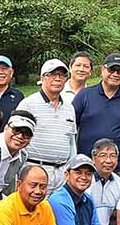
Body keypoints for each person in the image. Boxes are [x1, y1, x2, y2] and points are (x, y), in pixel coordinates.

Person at [73, 53, 120, 174]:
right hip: (86, 167)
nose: (115, 74)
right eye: (111, 69)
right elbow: (71, 127)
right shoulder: (84, 95)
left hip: (118, 167)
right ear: (102, 70)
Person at [15, 58, 77, 193]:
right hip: (34, 170)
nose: (58, 78)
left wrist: (70, 170)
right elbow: (16, 140)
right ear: (42, 78)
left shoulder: (69, 107)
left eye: (62, 75)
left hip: (61, 174)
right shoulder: (28, 104)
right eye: (52, 74)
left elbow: (71, 142)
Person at [0, 110, 35, 199]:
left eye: (26, 134)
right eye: (16, 130)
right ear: (6, 128)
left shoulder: (23, 156)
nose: (20, 136)